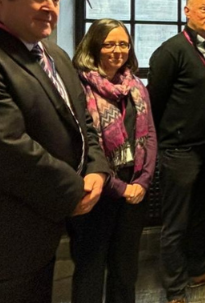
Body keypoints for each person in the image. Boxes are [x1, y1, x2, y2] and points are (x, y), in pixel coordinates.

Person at [0, 0, 110, 302]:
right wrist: (74, 190)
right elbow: (7, 147)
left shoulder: (54, 53)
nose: (50, 6)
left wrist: (98, 169)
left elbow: (83, 123)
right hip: (0, 245)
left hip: (41, 232)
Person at [148, 0, 205, 303]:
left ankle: (198, 269)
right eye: (203, 9)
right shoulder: (171, 51)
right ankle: (174, 289)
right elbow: (154, 101)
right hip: (179, 152)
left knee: (202, 215)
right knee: (176, 224)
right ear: (186, 11)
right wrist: (166, 142)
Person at [69, 18, 158, 303]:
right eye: (109, 44)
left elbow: (150, 134)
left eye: (123, 43)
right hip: (96, 191)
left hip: (135, 191)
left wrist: (143, 182)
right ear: (94, 46)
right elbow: (81, 143)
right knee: (90, 269)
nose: (117, 50)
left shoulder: (135, 85)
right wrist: (118, 187)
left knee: (126, 268)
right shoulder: (77, 85)